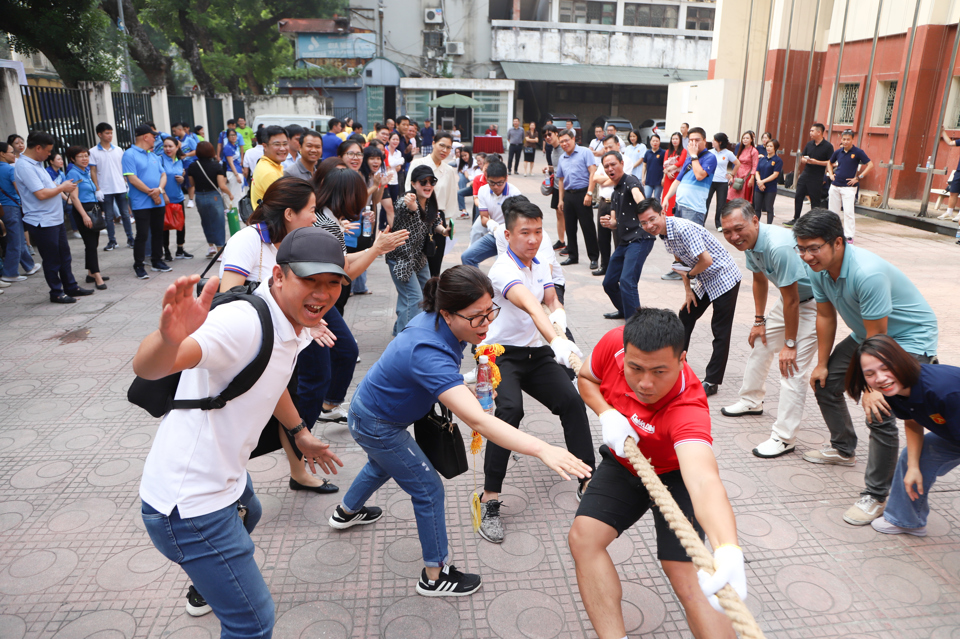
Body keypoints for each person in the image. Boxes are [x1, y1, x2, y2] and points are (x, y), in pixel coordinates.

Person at [136, 227, 347, 634]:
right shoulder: (241, 322)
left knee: (253, 509)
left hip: (223, 477)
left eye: (332, 283)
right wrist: (168, 339)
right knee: (253, 622)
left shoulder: (292, 320)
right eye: (310, 280)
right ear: (279, 276)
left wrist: (299, 431)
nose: (322, 293)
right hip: (190, 505)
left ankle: (209, 581)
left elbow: (272, 375)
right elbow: (151, 367)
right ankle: (211, 580)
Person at [330, 265, 590, 595]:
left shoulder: (442, 326)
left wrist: (465, 388)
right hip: (378, 425)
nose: (487, 324)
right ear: (447, 313)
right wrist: (543, 449)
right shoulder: (427, 349)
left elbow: (443, 382)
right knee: (427, 490)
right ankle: (434, 576)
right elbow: (480, 421)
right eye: (477, 317)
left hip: (372, 413)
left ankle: (345, 512)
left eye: (489, 312)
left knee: (381, 465)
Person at [570, 307, 745, 639]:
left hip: (676, 474)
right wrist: (607, 413)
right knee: (583, 538)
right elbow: (587, 378)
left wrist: (728, 548)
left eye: (659, 371)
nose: (645, 383)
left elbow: (704, 480)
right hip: (626, 462)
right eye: (635, 369)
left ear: (682, 360)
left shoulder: (688, 409)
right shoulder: (613, 344)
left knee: (686, 576)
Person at [793, 209, 939, 525]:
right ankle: (844, 448)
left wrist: (872, 388)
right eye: (801, 248)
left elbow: (880, 338)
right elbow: (826, 316)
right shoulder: (818, 269)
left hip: (907, 340)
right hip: (869, 335)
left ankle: (876, 494)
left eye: (814, 247)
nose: (807, 256)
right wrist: (821, 364)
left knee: (881, 409)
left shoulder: (866, 273)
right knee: (826, 382)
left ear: (838, 242)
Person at [473, 201, 594, 542]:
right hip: (500, 354)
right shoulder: (501, 269)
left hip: (536, 352)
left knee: (572, 401)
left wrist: (559, 317)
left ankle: (589, 480)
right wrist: (557, 339)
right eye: (525, 232)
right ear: (508, 234)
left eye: (538, 231)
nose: (533, 239)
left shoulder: (541, 261)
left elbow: (549, 299)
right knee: (510, 410)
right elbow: (529, 302)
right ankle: (490, 499)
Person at [218, 176, 341, 495]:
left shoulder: (292, 244)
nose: (316, 217)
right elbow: (229, 294)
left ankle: (298, 464)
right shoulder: (247, 241)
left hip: (286, 339)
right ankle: (233, 479)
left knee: (302, 391)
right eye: (311, 210)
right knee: (254, 407)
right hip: (254, 345)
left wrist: (308, 316)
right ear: (289, 213)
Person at [304, 165, 408, 425]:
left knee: (338, 354)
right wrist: (376, 250)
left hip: (315, 298)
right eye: (359, 194)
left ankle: (326, 406)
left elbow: (341, 261)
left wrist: (375, 248)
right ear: (346, 195)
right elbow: (345, 272)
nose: (362, 201)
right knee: (334, 359)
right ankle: (307, 422)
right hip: (312, 300)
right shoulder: (328, 224)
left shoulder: (326, 219)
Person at [719, 199, 817, 458]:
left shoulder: (778, 245)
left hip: (814, 303)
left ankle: (784, 437)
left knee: (792, 368)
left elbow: (795, 299)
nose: (734, 236)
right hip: (789, 301)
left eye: (738, 228)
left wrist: (790, 343)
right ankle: (751, 401)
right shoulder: (751, 245)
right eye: (727, 231)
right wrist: (758, 321)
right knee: (760, 342)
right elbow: (759, 280)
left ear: (755, 220)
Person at [846, 335, 960, 537]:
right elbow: (913, 420)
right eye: (870, 374)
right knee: (913, 456)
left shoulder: (943, 391)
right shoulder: (895, 392)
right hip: (953, 433)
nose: (880, 378)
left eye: (885, 368)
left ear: (901, 361)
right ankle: (906, 521)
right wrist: (914, 467)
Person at [638, 199, 741, 397]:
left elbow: (706, 260)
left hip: (724, 276)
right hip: (704, 276)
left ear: (663, 213)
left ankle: (712, 381)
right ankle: (676, 366)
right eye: (644, 223)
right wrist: (688, 290)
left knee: (720, 330)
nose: (649, 226)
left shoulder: (683, 229)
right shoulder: (665, 234)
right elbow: (681, 263)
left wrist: (692, 277)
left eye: (652, 219)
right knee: (685, 315)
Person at [14, 131, 91, 303]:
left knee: (65, 255)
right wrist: (61, 187)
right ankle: (56, 292)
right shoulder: (25, 166)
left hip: (54, 218)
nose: (50, 154)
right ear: (38, 148)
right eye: (48, 151)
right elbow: (40, 194)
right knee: (52, 259)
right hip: (42, 221)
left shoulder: (36, 164)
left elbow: (48, 186)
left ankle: (71, 286)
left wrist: (62, 187)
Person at [387, 164, 451, 333]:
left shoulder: (429, 201)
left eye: (432, 181)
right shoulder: (406, 202)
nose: (428, 185)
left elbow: (433, 221)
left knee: (426, 294)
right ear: (414, 184)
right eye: (423, 182)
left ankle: (399, 330)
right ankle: (407, 337)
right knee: (414, 298)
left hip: (419, 258)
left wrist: (444, 231)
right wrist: (414, 208)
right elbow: (406, 210)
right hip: (401, 258)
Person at [598, 151, 656, 322]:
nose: (610, 168)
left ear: (622, 164)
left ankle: (635, 322)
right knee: (609, 283)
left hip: (640, 239)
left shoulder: (631, 181)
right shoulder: (615, 191)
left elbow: (639, 198)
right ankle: (625, 310)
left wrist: (645, 208)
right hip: (625, 241)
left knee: (627, 281)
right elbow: (615, 222)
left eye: (613, 164)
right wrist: (609, 222)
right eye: (606, 166)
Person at [123, 124, 169, 279]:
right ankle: (139, 264)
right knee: (142, 234)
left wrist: (159, 190)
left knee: (158, 232)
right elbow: (132, 178)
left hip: (158, 201)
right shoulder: (130, 154)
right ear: (145, 136)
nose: (155, 139)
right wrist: (151, 192)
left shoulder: (154, 155)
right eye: (153, 136)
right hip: (141, 202)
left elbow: (163, 175)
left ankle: (157, 260)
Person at [461, 161, 521, 268]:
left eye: (500, 183)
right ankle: (475, 284)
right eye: (492, 183)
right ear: (486, 178)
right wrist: (491, 225)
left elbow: (520, 221)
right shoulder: (483, 191)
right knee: (467, 257)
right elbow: (483, 217)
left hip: (511, 237)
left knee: (503, 266)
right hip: (494, 234)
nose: (496, 187)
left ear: (506, 178)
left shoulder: (515, 194)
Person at [64, 146, 108, 289]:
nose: (85, 159)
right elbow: (74, 198)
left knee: (93, 243)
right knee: (90, 244)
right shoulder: (73, 174)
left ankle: (90, 274)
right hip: (83, 211)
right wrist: (84, 216)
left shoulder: (85, 171)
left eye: (86, 156)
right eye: (80, 156)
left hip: (92, 209)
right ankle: (97, 276)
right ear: (72, 159)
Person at [556, 128, 599, 269]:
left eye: (566, 140)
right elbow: (561, 180)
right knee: (570, 227)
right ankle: (573, 256)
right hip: (568, 195)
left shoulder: (585, 152)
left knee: (588, 227)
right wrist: (561, 200)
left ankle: (593, 258)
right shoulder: (562, 158)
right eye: (561, 141)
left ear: (573, 139)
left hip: (583, 194)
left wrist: (589, 193)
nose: (564, 144)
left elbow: (593, 173)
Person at [88, 123, 134, 251]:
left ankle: (130, 239)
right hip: (105, 189)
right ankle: (112, 241)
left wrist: (126, 182)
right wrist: (97, 188)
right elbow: (93, 171)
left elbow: (123, 168)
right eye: (107, 133)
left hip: (120, 187)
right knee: (108, 216)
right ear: (100, 134)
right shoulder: (93, 151)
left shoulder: (118, 150)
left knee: (125, 214)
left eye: (111, 133)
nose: (110, 136)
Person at [0, 142, 39, 285]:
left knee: (18, 238)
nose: (14, 155)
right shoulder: (10, 170)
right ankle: (10, 273)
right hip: (12, 206)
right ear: (2, 154)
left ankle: (29, 266)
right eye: (11, 152)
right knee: (15, 241)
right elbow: (19, 190)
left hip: (3, 207)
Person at [827, 129, 873, 242]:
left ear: (852, 139)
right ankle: (833, 234)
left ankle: (849, 235)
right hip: (835, 186)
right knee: (833, 212)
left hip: (848, 187)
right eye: (844, 139)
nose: (846, 141)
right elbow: (829, 162)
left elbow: (870, 164)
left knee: (848, 212)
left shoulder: (858, 152)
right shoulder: (838, 152)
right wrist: (831, 174)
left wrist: (858, 177)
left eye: (848, 139)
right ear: (841, 140)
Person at [187, 141, 232, 258]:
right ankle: (220, 251)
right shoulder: (217, 165)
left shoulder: (192, 166)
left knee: (206, 221)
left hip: (200, 196)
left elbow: (191, 183)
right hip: (214, 196)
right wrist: (230, 194)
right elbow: (222, 186)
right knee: (218, 222)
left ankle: (211, 246)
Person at [785, 123, 833, 228]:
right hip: (805, 173)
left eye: (812, 131)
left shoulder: (828, 146)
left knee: (814, 199)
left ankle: (814, 222)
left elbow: (831, 162)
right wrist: (805, 160)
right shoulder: (809, 144)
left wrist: (817, 162)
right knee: (798, 196)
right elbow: (802, 158)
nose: (810, 133)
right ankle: (796, 219)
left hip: (817, 176)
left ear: (819, 132)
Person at [586, 135, 621, 276]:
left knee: (617, 238)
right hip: (603, 202)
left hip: (617, 203)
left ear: (618, 145)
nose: (607, 150)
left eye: (610, 147)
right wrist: (611, 178)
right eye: (605, 147)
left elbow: (620, 179)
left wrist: (605, 179)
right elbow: (595, 177)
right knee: (602, 237)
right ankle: (605, 266)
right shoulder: (604, 161)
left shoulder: (625, 160)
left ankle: (618, 269)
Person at [159, 136, 192, 262]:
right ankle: (166, 250)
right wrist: (163, 194)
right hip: (164, 198)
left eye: (170, 146)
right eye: (165, 146)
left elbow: (180, 178)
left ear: (176, 147)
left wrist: (182, 180)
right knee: (165, 226)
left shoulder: (179, 161)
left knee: (180, 224)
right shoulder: (160, 160)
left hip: (178, 197)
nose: (167, 149)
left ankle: (180, 248)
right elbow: (158, 179)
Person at [707, 133, 738, 230]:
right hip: (710, 181)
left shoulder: (728, 153)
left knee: (721, 204)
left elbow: (737, 164)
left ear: (720, 142)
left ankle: (719, 224)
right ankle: (701, 222)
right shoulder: (710, 152)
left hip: (722, 182)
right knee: (706, 202)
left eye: (714, 140)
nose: (712, 142)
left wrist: (732, 174)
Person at [251, 126, 288, 207]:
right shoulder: (269, 173)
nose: (282, 148)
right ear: (265, 146)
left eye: (285, 144)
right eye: (277, 144)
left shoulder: (266, 163)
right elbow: (283, 205)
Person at [542, 125, 566, 249]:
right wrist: (549, 168)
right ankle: (561, 241)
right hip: (556, 186)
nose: (547, 137)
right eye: (545, 136)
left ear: (556, 133)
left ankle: (570, 243)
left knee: (567, 215)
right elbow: (557, 167)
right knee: (559, 214)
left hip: (566, 187)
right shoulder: (552, 150)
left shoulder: (564, 149)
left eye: (549, 134)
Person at [753, 138, 783, 224]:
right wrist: (759, 182)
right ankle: (756, 224)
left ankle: (769, 225)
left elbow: (775, 174)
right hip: (759, 186)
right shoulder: (762, 159)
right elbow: (757, 172)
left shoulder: (777, 160)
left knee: (769, 208)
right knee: (757, 208)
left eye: (771, 146)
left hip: (770, 187)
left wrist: (763, 182)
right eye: (767, 146)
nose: (768, 148)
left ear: (775, 148)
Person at [727, 131, 758, 204]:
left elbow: (755, 165)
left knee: (743, 197)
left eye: (747, 138)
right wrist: (732, 175)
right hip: (737, 175)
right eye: (743, 138)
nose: (745, 140)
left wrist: (752, 178)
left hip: (747, 176)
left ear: (751, 140)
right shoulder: (741, 149)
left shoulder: (754, 151)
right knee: (731, 194)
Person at [937, 125, 960, 222]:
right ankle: (949, 212)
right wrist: (943, 132)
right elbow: (950, 143)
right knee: (953, 191)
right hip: (959, 170)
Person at [661, 132, 687, 218]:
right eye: (673, 139)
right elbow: (664, 165)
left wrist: (668, 169)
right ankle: (665, 214)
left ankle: (674, 215)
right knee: (666, 195)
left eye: (676, 139)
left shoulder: (684, 151)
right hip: (669, 177)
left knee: (675, 196)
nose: (674, 141)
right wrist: (667, 172)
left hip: (677, 176)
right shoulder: (668, 151)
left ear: (680, 140)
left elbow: (680, 163)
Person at [221, 129, 245, 204]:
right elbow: (230, 163)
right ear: (227, 137)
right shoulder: (228, 147)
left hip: (238, 170)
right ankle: (236, 213)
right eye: (231, 135)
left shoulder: (235, 146)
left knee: (240, 194)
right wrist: (236, 175)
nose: (233, 137)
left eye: (234, 135)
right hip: (232, 172)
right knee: (236, 196)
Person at [641, 134, 666, 200]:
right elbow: (644, 165)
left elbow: (665, 166)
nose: (655, 142)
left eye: (657, 141)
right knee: (647, 196)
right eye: (653, 141)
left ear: (659, 142)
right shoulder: (647, 152)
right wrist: (643, 177)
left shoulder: (663, 153)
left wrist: (664, 178)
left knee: (656, 198)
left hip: (659, 180)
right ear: (650, 142)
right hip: (649, 179)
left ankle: (657, 210)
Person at [456, 147, 477, 217]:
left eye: (465, 155)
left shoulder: (475, 162)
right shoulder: (464, 164)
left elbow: (474, 176)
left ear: (469, 154)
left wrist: (471, 179)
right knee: (460, 192)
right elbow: (466, 175)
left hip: (478, 184)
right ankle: (464, 211)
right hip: (472, 182)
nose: (464, 157)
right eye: (462, 156)